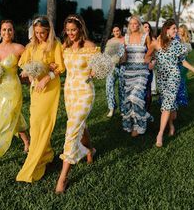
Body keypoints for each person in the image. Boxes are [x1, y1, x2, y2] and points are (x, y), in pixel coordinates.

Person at [16, 16, 65, 182]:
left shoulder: (55, 45)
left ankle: (36, 159)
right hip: (35, 89)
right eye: (36, 33)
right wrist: (28, 73)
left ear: (49, 31)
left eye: (42, 33)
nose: (39, 36)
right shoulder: (32, 46)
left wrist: (47, 77)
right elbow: (22, 62)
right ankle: (47, 154)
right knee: (35, 122)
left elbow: (60, 66)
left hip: (50, 87)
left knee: (42, 122)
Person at [55, 14, 99, 194]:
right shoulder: (64, 46)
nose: (71, 33)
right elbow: (60, 67)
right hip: (70, 92)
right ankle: (89, 150)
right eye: (68, 30)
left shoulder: (89, 47)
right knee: (80, 124)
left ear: (80, 29)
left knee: (71, 129)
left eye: (74, 30)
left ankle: (62, 178)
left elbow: (100, 65)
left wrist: (96, 70)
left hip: (85, 91)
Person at [145, 19, 194, 147]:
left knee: (166, 105)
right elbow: (147, 56)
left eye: (176, 29)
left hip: (174, 77)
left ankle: (160, 134)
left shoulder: (177, 44)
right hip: (161, 78)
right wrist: (151, 62)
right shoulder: (156, 43)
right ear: (166, 30)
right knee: (169, 105)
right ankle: (171, 125)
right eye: (174, 29)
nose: (176, 31)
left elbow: (182, 61)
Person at [0, 20, 29, 174]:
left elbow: (29, 63)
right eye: (4, 30)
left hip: (12, 88)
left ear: (13, 32)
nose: (7, 33)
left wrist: (28, 72)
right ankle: (27, 142)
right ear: (0, 32)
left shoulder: (19, 48)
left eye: (10, 30)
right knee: (10, 116)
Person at [122, 15, 153, 138]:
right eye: (131, 24)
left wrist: (151, 61)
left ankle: (141, 124)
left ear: (139, 25)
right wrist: (119, 58)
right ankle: (135, 124)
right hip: (128, 72)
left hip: (142, 72)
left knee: (136, 97)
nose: (133, 26)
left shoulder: (146, 37)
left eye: (136, 24)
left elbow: (152, 52)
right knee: (129, 100)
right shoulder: (126, 38)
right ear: (129, 25)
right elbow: (124, 57)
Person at [105, 25, 125, 118]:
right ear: (112, 32)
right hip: (112, 67)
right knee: (109, 86)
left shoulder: (125, 40)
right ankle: (112, 107)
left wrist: (121, 60)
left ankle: (123, 108)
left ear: (120, 31)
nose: (116, 32)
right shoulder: (110, 41)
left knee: (122, 88)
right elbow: (106, 54)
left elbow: (127, 53)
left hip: (123, 66)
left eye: (118, 30)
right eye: (114, 31)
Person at [177, 24, 192, 106]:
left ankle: (182, 98)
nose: (179, 32)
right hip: (178, 62)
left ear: (184, 31)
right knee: (178, 79)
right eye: (179, 30)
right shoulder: (176, 39)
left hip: (184, 62)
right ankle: (179, 96)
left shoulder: (186, 40)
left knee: (182, 80)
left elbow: (188, 51)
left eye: (181, 31)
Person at [143, 21, 157, 110]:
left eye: (148, 27)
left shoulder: (152, 39)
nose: (147, 29)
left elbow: (155, 53)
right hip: (139, 67)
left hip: (148, 67)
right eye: (145, 27)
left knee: (148, 88)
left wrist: (153, 63)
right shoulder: (138, 39)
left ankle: (147, 109)